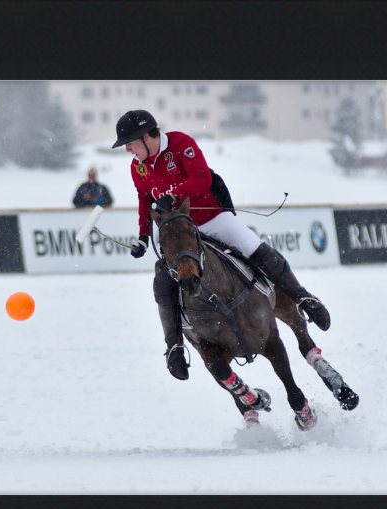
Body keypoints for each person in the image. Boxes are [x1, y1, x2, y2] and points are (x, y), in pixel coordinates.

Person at [113, 110, 330, 381]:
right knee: (162, 279)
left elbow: (201, 178)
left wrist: (173, 196)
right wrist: (143, 237)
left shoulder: (181, 144)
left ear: (147, 137)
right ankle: (175, 348)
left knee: (252, 245)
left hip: (212, 220)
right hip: (180, 236)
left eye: (130, 143)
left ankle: (304, 298)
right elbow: (144, 199)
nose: (128, 150)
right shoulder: (138, 167)